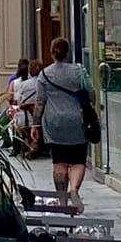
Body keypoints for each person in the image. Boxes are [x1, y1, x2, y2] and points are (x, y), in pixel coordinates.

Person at [35, 40, 95, 207]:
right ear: (67, 53)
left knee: (59, 162)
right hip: (77, 121)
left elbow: (40, 102)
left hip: (55, 124)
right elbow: (90, 93)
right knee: (78, 160)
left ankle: (62, 200)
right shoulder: (79, 71)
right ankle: (74, 189)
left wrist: (35, 125)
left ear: (52, 53)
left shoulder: (44, 75)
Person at [6, 59, 39, 150]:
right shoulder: (43, 83)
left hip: (25, 117)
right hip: (39, 116)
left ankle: (14, 145)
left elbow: (14, 100)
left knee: (4, 119)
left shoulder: (16, 82)